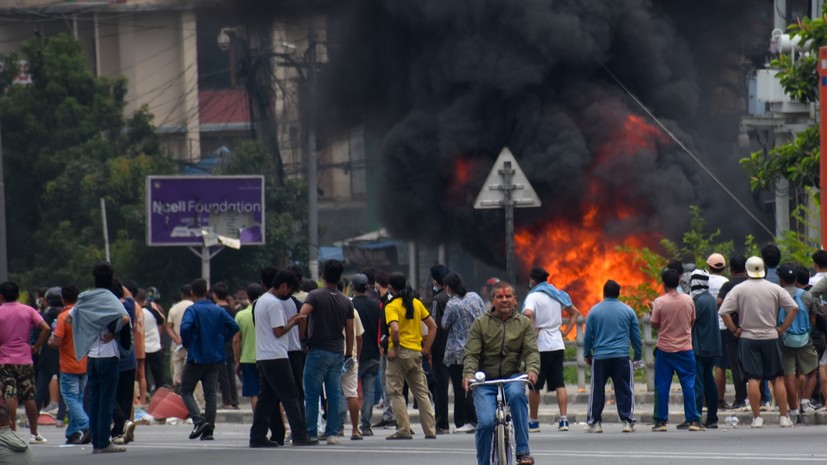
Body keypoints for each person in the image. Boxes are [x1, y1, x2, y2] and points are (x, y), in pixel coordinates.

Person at [463, 281, 539, 465]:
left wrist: (532, 369)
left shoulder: (524, 324)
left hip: (512, 376)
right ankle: (483, 462)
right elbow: (471, 353)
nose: (504, 300)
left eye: (508, 296)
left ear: (515, 300)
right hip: (485, 380)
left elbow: (531, 351)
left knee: (517, 396)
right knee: (486, 422)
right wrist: (468, 374)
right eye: (499, 296)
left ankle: (523, 451)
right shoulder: (480, 324)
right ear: (492, 300)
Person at [719, 256, 797, 428]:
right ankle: (784, 417)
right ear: (764, 270)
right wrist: (782, 328)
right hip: (770, 336)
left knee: (753, 379)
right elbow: (793, 308)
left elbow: (724, 312)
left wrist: (734, 329)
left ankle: (757, 418)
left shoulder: (739, 289)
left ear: (746, 270)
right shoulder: (774, 288)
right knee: (777, 378)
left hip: (748, 337)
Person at [249, 270, 317, 448]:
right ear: (284, 285)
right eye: (289, 290)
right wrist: (294, 323)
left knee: (267, 398)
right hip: (276, 356)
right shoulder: (274, 303)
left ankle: (257, 436)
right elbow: (278, 331)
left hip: (264, 356)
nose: (288, 294)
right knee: (291, 395)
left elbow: (274, 327)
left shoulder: (261, 301)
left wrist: (289, 320)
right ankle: (300, 435)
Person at [71, 262, 130, 453]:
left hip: (92, 355)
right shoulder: (110, 298)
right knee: (107, 400)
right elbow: (125, 318)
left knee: (94, 400)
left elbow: (71, 316)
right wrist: (113, 331)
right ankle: (104, 442)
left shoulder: (85, 297)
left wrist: (90, 327)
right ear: (111, 278)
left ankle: (96, 441)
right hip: (108, 353)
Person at [299, 259, 355, 444]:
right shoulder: (346, 301)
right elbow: (350, 330)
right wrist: (348, 353)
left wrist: (303, 337)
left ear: (323, 276)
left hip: (317, 351)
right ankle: (332, 433)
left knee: (312, 394)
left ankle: (312, 432)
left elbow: (303, 314)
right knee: (334, 394)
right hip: (338, 352)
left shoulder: (315, 295)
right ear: (339, 278)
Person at [179, 278, 239, 441]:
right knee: (210, 393)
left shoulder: (193, 310)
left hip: (197, 357)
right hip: (216, 358)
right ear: (206, 292)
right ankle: (209, 430)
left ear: (192, 293)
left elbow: (185, 327)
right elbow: (234, 326)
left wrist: (187, 343)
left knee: (185, 390)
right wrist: (221, 340)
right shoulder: (218, 310)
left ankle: (198, 420)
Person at [522, 267, 579, 432]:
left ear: (533, 280)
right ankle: (564, 420)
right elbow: (575, 313)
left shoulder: (533, 296)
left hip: (540, 345)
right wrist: (566, 332)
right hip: (557, 343)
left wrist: (533, 328)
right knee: (559, 383)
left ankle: (533, 421)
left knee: (535, 384)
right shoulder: (557, 294)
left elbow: (526, 313)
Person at [383, 272, 437, 440]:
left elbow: (395, 329)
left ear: (390, 287)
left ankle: (404, 430)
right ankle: (430, 430)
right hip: (415, 353)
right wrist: (425, 349)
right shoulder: (416, 303)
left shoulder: (391, 306)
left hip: (399, 355)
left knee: (395, 392)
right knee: (421, 393)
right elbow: (432, 326)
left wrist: (396, 350)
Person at [583, 280, 642, 433]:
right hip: (622, 356)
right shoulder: (628, 311)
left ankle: (595, 423)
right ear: (619, 293)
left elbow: (588, 335)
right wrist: (637, 355)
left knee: (597, 390)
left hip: (600, 357)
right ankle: (627, 421)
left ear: (604, 293)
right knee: (624, 389)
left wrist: (587, 354)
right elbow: (635, 336)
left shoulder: (594, 311)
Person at [650, 268, 702, 431]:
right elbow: (692, 321)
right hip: (685, 348)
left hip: (665, 349)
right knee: (688, 383)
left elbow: (655, 324)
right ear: (678, 281)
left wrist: (652, 312)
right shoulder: (688, 300)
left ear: (664, 284)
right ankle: (693, 419)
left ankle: (661, 422)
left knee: (662, 385)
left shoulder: (659, 302)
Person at [0, 281, 51, 444]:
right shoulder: (28, 310)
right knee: (29, 395)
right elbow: (46, 328)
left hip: (5, 359)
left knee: (10, 394)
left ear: (1, 296)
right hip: (25, 359)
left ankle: (11, 429)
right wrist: (36, 346)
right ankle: (34, 432)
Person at [441, 272, 485, 433]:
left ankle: (468, 420)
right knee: (477, 384)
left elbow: (444, 324)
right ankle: (473, 418)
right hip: (478, 347)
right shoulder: (475, 296)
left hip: (458, 352)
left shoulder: (452, 304)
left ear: (448, 287)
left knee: (462, 388)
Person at [48, 285, 90, 445]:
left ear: (63, 299)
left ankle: (86, 426)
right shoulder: (84, 315)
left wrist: (50, 341)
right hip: (84, 363)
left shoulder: (63, 317)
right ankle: (72, 432)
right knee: (78, 398)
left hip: (68, 365)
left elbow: (57, 341)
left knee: (70, 398)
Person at [776, 264, 820, 419]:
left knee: (788, 374)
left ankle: (793, 409)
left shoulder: (777, 295)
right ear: (796, 279)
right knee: (812, 370)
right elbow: (813, 320)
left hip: (784, 339)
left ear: (781, 279)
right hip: (805, 340)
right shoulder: (806, 295)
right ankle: (805, 401)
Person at [688, 270, 721, 429]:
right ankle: (712, 417)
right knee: (709, 381)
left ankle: (696, 418)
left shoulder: (698, 301)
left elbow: (690, 324)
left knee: (698, 382)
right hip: (712, 346)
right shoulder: (709, 299)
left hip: (700, 347)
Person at [716, 254, 749, 410]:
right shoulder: (752, 282)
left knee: (736, 367)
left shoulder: (729, 285)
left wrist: (733, 323)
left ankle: (740, 398)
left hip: (734, 332)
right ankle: (763, 399)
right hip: (754, 329)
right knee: (757, 366)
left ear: (731, 270)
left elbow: (720, 303)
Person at [351, 273, 381, 437]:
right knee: (369, 392)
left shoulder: (350, 305)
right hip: (373, 355)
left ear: (354, 288)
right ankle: (366, 426)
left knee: (348, 391)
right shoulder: (376, 305)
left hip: (355, 354)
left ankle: (340, 424)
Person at [428, 264, 452, 434]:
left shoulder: (438, 299)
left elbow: (434, 324)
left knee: (441, 387)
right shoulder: (455, 296)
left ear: (435, 281)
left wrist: (429, 349)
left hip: (441, 349)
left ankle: (442, 423)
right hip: (457, 348)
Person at [706, 253, 731, 410]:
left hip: (706, 327)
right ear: (724, 267)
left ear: (708, 266)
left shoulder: (702, 281)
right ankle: (719, 400)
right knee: (720, 366)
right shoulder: (726, 282)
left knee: (704, 365)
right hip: (723, 326)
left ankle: (704, 398)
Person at [233, 283, 263, 411]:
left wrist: (238, 360)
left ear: (248, 297)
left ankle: (258, 421)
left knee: (254, 393)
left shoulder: (241, 315)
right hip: (267, 357)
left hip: (248, 358)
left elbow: (236, 340)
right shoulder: (265, 312)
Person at [211, 282, 239, 410]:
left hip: (219, 345)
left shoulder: (215, 310)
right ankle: (234, 400)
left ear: (214, 295)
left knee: (223, 375)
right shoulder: (232, 310)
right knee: (231, 374)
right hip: (231, 344)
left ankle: (227, 401)